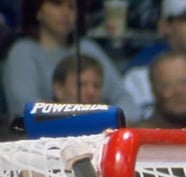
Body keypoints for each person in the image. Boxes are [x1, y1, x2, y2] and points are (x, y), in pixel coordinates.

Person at [2, 0, 140, 121]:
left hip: (97, 134)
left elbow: (125, 100)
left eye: (71, 7)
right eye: (57, 4)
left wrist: (109, 121)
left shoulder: (87, 47)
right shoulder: (22, 51)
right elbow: (25, 109)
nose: (65, 12)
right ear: (37, 10)